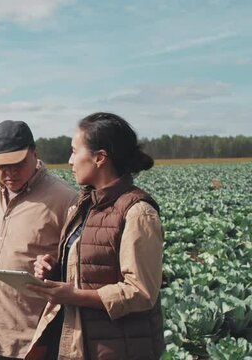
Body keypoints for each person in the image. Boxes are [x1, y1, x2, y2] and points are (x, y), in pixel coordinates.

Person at [25, 112, 165, 360]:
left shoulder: (138, 212)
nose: (70, 161)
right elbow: (92, 267)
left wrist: (74, 296)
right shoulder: (82, 205)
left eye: (74, 151)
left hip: (114, 349)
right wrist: (53, 269)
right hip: (77, 340)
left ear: (100, 158)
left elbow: (141, 293)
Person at [0, 120, 77, 359]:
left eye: (18, 163)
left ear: (35, 153)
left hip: (37, 340)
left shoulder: (65, 199)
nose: (10, 172)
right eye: (1, 166)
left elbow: (80, 267)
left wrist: (55, 267)